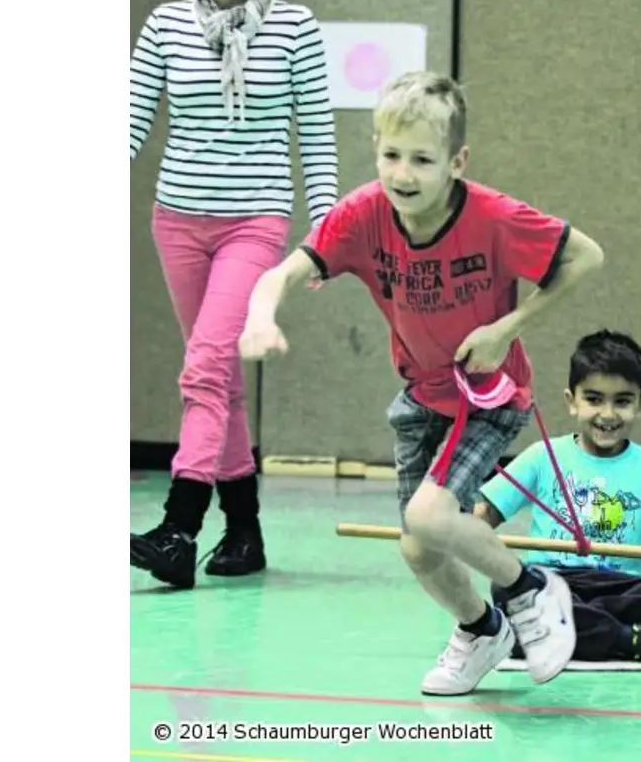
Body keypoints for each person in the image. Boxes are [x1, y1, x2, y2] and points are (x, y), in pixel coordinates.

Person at [238, 71, 607, 695]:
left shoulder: (492, 216)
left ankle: (531, 588)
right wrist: (258, 318)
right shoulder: (361, 215)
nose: (402, 174)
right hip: (421, 395)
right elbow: (280, 275)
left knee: (430, 515)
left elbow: (586, 255)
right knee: (419, 547)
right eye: (390, 156)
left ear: (457, 161)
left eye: (422, 160)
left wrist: (506, 327)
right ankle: (481, 629)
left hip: (490, 393)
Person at [129, 0, 340, 590]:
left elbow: (316, 132)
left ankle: (178, 528)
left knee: (204, 370)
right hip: (179, 220)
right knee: (218, 379)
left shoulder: (295, 28)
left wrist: (325, 233)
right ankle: (243, 532)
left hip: (255, 220)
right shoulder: (164, 25)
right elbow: (129, 122)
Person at [475, 330, 641, 667]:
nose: (608, 414)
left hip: (625, 587)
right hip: (552, 584)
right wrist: (455, 522)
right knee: (507, 585)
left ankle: (553, 632)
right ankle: (632, 640)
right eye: (594, 398)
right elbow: (483, 516)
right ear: (572, 400)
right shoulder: (542, 455)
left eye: (622, 401)